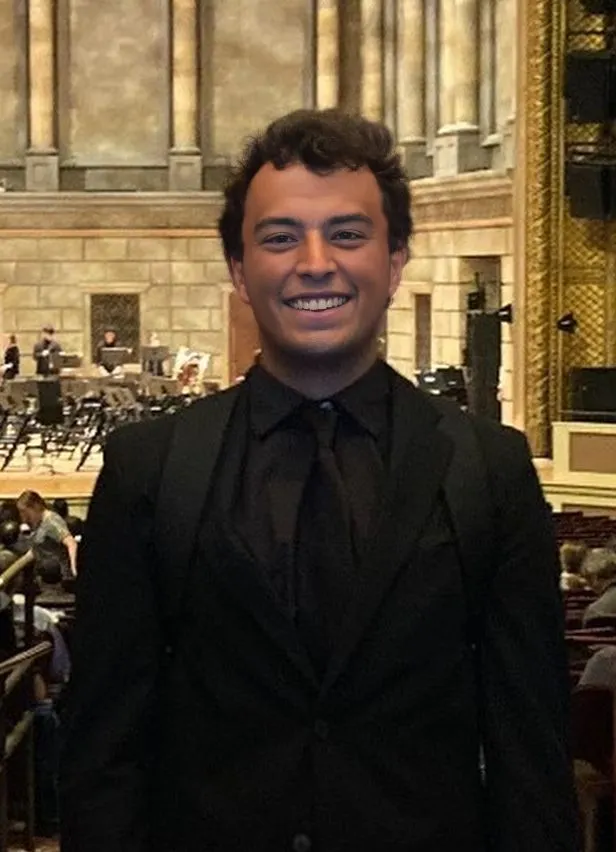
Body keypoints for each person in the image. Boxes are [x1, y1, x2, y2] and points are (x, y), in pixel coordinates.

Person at [60, 110, 579, 852]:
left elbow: (531, 755)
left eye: (347, 234)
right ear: (240, 271)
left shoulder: (489, 469)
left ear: (395, 260)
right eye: (279, 238)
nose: (314, 261)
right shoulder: (150, 466)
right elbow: (103, 751)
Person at [16, 491, 77, 582]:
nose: (24, 517)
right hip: (44, 575)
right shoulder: (37, 523)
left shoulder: (51, 522)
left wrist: (73, 568)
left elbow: (71, 543)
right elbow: (35, 550)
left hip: (60, 577)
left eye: (25, 512)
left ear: (36, 507)